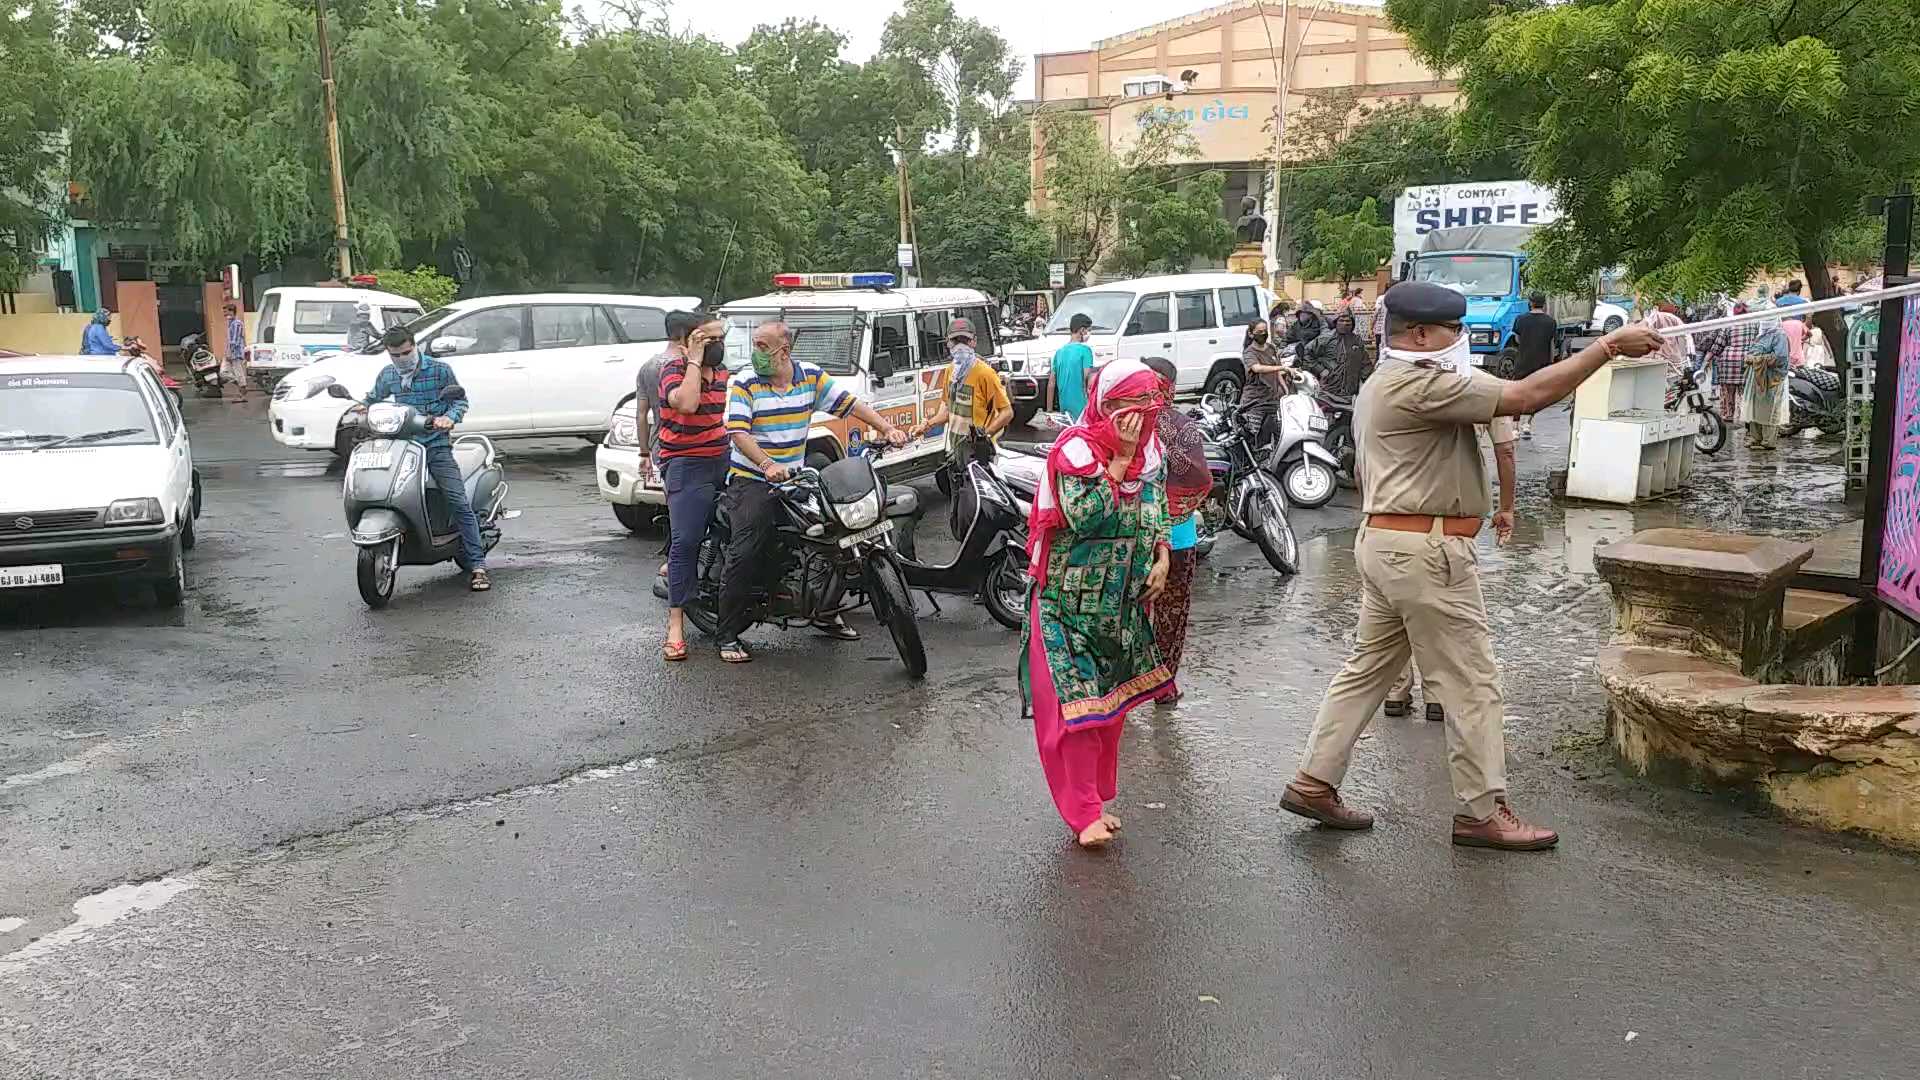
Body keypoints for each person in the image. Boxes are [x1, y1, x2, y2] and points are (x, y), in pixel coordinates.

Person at [1281, 280, 1665, 851]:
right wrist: (1606, 348)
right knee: (1472, 682)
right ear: (1418, 335)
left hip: (1392, 544)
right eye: (1450, 331)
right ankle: (1482, 810)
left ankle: (1314, 781)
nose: (1459, 338)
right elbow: (1526, 396)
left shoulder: (1384, 381)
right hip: (1425, 552)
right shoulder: (1419, 383)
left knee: (1366, 671)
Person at [1022, 358, 1174, 848]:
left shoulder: (1150, 455)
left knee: (1109, 714)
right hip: (1067, 607)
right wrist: (1118, 457)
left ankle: (1095, 803)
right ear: (1105, 405)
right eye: (1128, 407)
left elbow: (1158, 510)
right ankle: (1082, 813)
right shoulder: (1076, 452)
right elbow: (1086, 516)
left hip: (1123, 608)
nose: (1139, 419)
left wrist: (1163, 557)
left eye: (1147, 407)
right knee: (1075, 715)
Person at [716, 319, 907, 663]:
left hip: (797, 479)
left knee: (838, 536)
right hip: (754, 480)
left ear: (784, 350)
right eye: (755, 345)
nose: (756, 353)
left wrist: (886, 429)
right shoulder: (745, 382)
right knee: (746, 550)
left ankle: (825, 610)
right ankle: (727, 634)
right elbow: (739, 433)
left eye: (762, 346)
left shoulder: (811, 377)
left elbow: (850, 404)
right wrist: (767, 465)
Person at [358, 326, 490, 591]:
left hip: (435, 446)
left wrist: (449, 418)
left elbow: (460, 402)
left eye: (406, 352)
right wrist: (361, 408)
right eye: (395, 355)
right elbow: (373, 399)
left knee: (457, 501)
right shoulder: (388, 374)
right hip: (401, 449)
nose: (402, 358)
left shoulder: (439, 370)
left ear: (414, 345)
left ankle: (478, 566)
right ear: (389, 353)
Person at [655, 311, 730, 661]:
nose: (718, 346)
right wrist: (695, 362)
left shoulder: (724, 373)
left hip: (721, 459)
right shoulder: (673, 369)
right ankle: (675, 625)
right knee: (686, 541)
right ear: (688, 342)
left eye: (720, 339)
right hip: (686, 465)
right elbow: (687, 404)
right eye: (709, 339)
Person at [1141, 355, 1211, 705]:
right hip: (1179, 533)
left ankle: (1128, 684)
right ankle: (1163, 685)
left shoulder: (1122, 422)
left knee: (1132, 611)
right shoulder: (1182, 426)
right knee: (1171, 614)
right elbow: (1199, 477)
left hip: (1134, 533)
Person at [914, 318, 1012, 452]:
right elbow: (946, 412)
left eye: (965, 340)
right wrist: (925, 426)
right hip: (956, 447)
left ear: (974, 342)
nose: (960, 346)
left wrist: (985, 436)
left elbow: (1007, 413)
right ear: (948, 343)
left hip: (979, 451)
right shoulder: (950, 372)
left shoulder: (985, 373)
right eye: (955, 341)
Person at [1697, 302, 1758, 421]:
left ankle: (1728, 414)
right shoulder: (1754, 325)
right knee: (1744, 392)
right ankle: (1743, 415)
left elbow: (1718, 344)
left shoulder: (1729, 324)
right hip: (1747, 361)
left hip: (1728, 362)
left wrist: (1705, 361)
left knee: (1727, 391)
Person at [1510, 294, 1558, 437]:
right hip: (1541, 363)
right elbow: (1551, 343)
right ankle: (1527, 424)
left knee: (1517, 394)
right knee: (1535, 396)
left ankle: (1515, 428)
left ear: (1530, 303)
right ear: (1544, 304)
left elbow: (1517, 339)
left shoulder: (1521, 319)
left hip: (1522, 362)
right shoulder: (1551, 322)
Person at [1742, 322, 1791, 450]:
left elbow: (1780, 357)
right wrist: (1750, 358)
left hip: (1772, 378)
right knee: (1755, 407)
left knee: (1770, 408)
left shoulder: (1779, 335)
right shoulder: (1761, 335)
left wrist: (1758, 359)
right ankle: (1756, 438)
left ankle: (1768, 440)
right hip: (1757, 377)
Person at [1239, 319, 1287, 445]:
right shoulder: (1249, 352)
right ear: (1251, 334)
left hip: (1272, 400)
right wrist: (1281, 368)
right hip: (1255, 402)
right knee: (1251, 435)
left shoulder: (1271, 348)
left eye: (1265, 331)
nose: (1263, 334)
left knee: (1280, 433)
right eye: (1259, 332)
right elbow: (1257, 368)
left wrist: (1285, 391)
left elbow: (1276, 372)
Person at [1307, 311, 1369, 400]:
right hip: (1329, 391)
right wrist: (1320, 370)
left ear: (1352, 323)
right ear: (1336, 322)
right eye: (1341, 320)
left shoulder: (1357, 340)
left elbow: (1365, 363)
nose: (1345, 323)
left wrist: (1367, 383)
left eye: (1348, 321)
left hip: (1351, 393)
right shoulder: (1325, 338)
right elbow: (1307, 354)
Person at [1049, 313, 1096, 421]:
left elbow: (1051, 383)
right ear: (1082, 330)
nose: (1089, 333)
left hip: (1064, 407)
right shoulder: (1085, 351)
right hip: (1082, 407)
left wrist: (1050, 411)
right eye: (1089, 330)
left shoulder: (1059, 352)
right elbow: (1088, 380)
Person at [223, 303, 250, 403]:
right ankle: (241, 385)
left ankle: (242, 395)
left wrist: (230, 352)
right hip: (230, 352)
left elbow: (235, 340)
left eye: (226, 312)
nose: (225, 314)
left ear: (231, 311)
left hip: (236, 353)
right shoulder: (230, 323)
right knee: (224, 372)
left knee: (239, 373)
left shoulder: (237, 323)